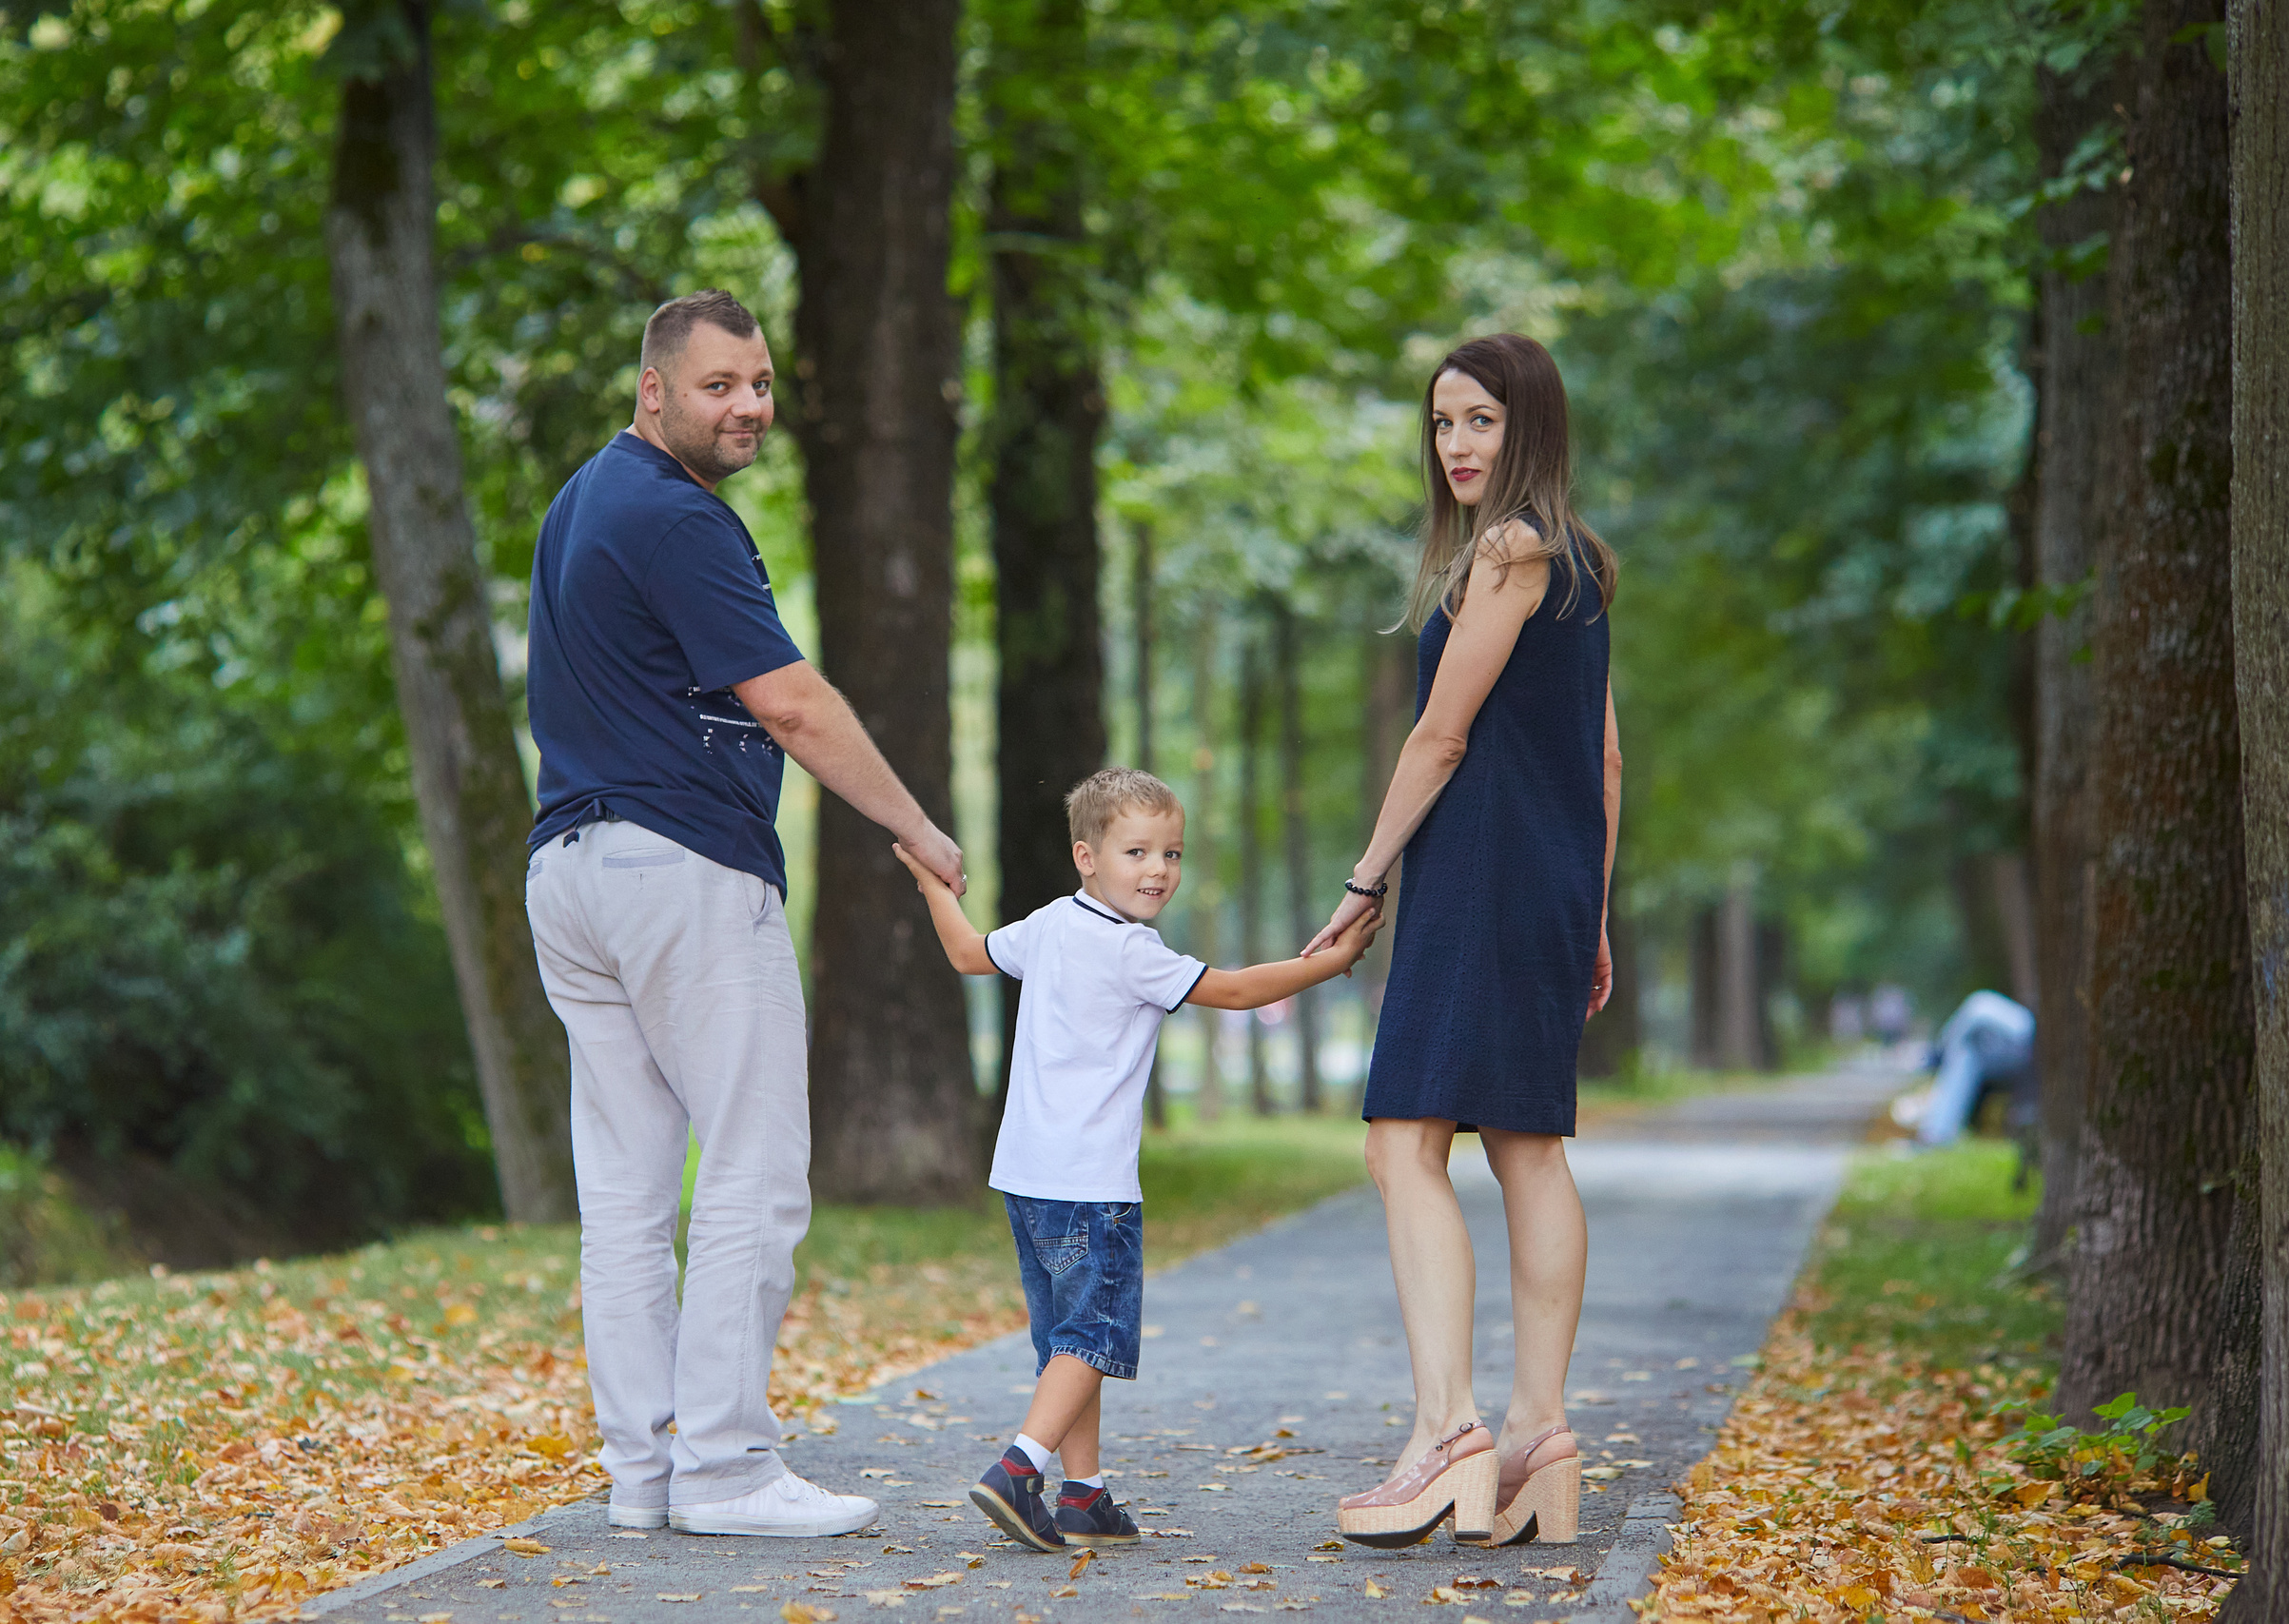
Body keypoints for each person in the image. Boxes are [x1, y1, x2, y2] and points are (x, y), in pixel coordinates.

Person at [522, 289, 966, 1537]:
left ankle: (643, 1472)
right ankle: (722, 1468)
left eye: (761, 383)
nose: (749, 407)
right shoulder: (676, 516)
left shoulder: (579, 502)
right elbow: (792, 702)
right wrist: (916, 827)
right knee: (753, 1170)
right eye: (719, 385)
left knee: (625, 1194)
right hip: (679, 870)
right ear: (654, 390)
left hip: (570, 871)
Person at [1303, 333, 1622, 1551]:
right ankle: (1538, 1437)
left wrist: (1364, 877)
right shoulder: (1582, 561)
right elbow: (1602, 760)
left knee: (1402, 1143)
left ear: (1528, 425)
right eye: (1442, 424)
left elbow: (1440, 738)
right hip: (1546, 883)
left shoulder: (1509, 553)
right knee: (1528, 1148)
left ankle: (1446, 1435)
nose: (1455, 445)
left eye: (1480, 420)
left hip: (1478, 874)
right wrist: (1591, 909)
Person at [893, 768, 1380, 1552]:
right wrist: (1331, 959)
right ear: (1086, 856)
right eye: (1137, 851)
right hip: (1091, 1185)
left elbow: (963, 951)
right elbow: (1236, 991)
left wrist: (928, 878)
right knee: (1093, 1336)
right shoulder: (1132, 949)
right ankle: (1019, 1469)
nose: (1159, 869)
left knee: (1068, 1343)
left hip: (1026, 1178)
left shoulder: (1048, 924)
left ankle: (1084, 1495)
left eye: (1172, 853)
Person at [1916, 989, 2036, 1147]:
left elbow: (2021, 1031)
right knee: (1966, 1055)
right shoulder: (1980, 1009)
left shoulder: (1979, 1005)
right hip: (2013, 1041)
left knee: (1963, 1052)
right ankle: (1936, 1133)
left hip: (2023, 1042)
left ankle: (1936, 1134)